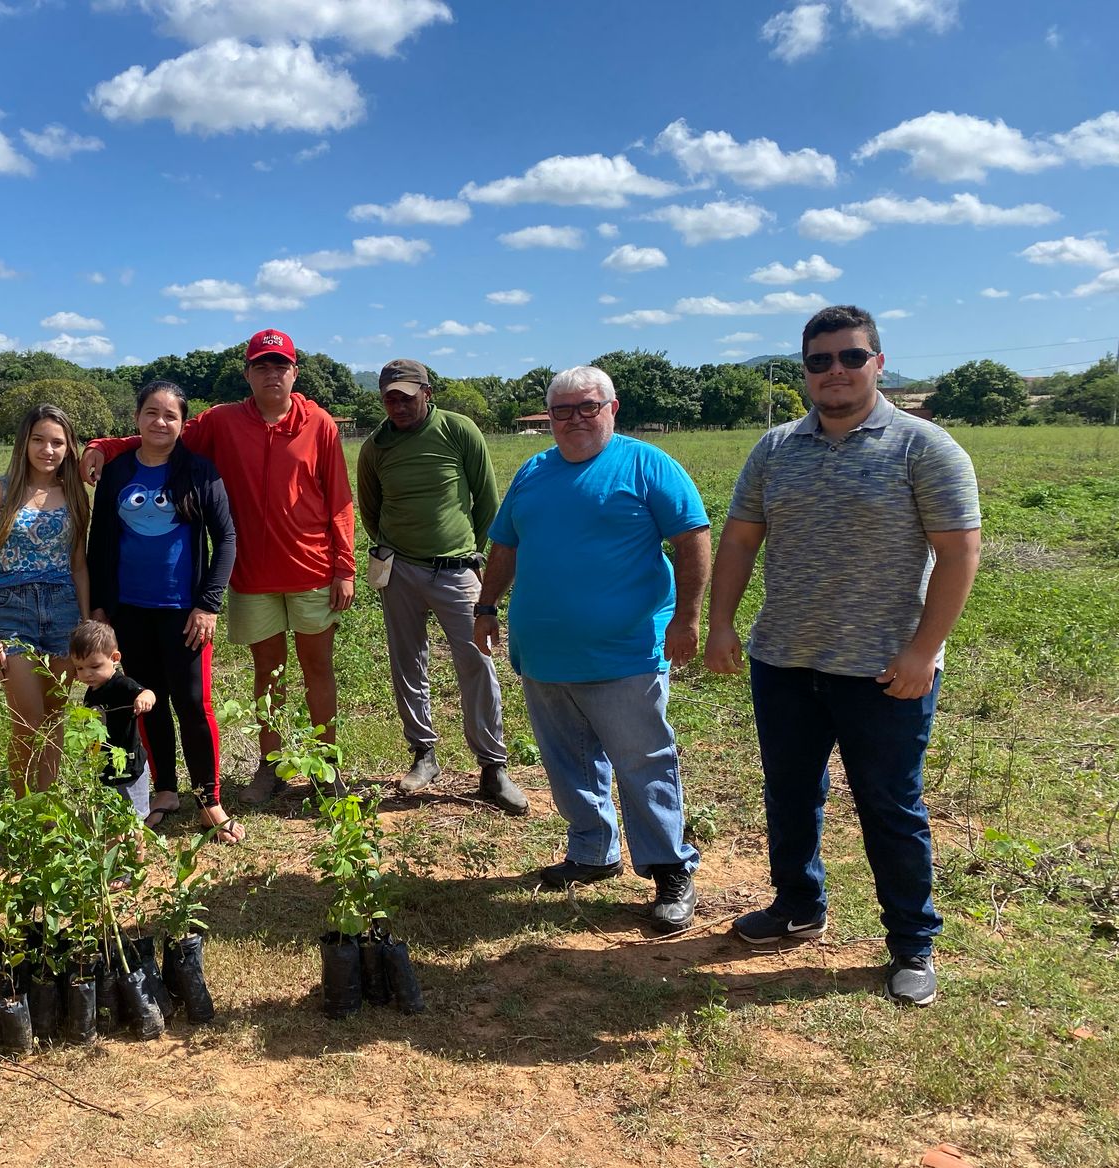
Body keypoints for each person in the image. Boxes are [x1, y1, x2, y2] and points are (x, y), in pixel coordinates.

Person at [704, 304, 981, 1007]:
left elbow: (958, 554)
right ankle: (797, 907)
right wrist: (723, 625)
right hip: (786, 660)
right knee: (791, 792)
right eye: (820, 361)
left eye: (851, 357)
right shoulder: (774, 449)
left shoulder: (926, 448)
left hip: (885, 669)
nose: (836, 372)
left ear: (878, 363)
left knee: (891, 807)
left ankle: (911, 943)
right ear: (805, 372)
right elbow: (739, 540)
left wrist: (925, 650)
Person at [475, 365, 711, 933]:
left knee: (642, 762)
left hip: (625, 652)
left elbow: (692, 539)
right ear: (549, 416)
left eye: (588, 407)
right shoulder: (534, 471)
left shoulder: (646, 464)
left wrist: (687, 618)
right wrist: (485, 606)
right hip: (545, 651)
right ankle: (591, 850)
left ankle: (670, 868)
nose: (576, 419)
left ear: (613, 408)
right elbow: (505, 546)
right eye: (563, 410)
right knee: (567, 760)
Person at [82, 329, 355, 805]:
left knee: (318, 669)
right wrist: (104, 446)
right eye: (262, 366)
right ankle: (271, 766)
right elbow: (164, 431)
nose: (272, 374)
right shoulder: (223, 422)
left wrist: (344, 566)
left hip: (312, 569)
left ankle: (325, 767)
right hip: (251, 576)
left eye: (281, 365)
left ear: (295, 372)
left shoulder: (321, 424)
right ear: (248, 373)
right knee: (268, 674)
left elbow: (339, 498)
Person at [355, 358, 528, 815]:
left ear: (427, 393)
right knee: (407, 660)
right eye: (390, 397)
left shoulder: (458, 430)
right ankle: (423, 754)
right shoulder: (375, 446)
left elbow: (488, 500)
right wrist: (395, 549)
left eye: (407, 396)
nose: (399, 406)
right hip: (400, 570)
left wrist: (480, 560)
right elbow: (370, 510)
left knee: (477, 660)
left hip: (456, 569)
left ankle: (492, 767)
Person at [85, 380, 243, 842]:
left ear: (182, 423)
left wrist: (207, 604)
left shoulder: (199, 471)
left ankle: (209, 800)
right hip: (129, 610)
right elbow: (100, 542)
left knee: (193, 704)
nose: (160, 422)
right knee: (146, 701)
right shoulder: (116, 474)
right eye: (151, 412)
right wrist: (99, 605)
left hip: (184, 612)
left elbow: (227, 538)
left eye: (170, 415)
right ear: (137, 418)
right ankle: (165, 791)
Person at [0, 403, 90, 796]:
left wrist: (87, 626)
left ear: (69, 448)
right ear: (24, 443)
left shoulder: (74, 494)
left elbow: (79, 566)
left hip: (63, 609)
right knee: (27, 718)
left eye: (57, 442)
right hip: (12, 607)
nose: (48, 450)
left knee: (55, 720)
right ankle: (23, 809)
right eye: (39, 440)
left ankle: (48, 814)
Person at [68, 619, 156, 820]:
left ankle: (137, 851)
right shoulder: (92, 691)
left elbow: (147, 692)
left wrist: (144, 699)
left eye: (94, 666)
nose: (87, 674)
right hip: (106, 765)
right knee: (112, 817)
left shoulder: (121, 685)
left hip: (128, 766)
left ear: (114, 657)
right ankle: (115, 849)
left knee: (133, 819)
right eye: (79, 668)